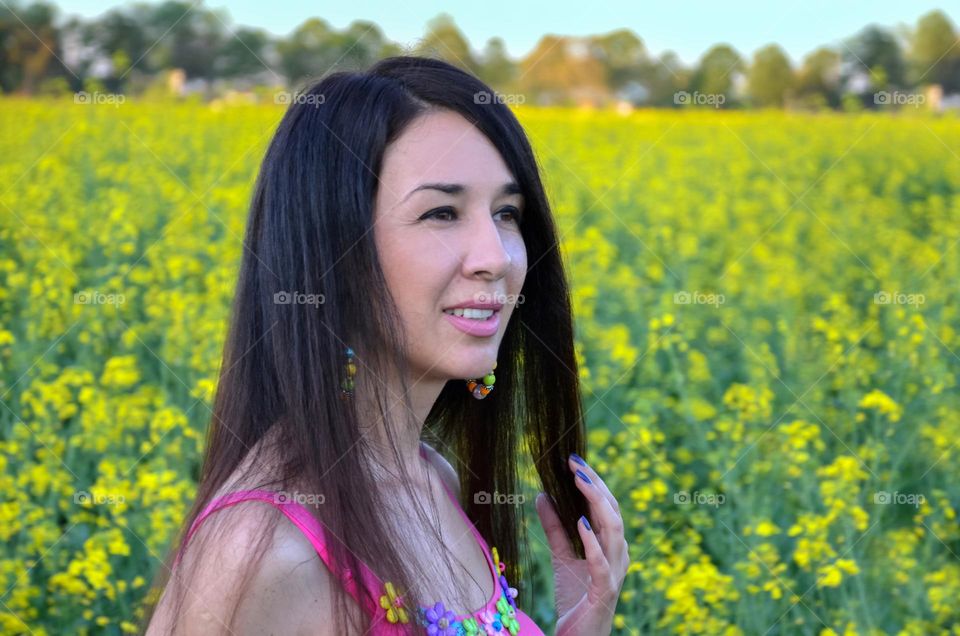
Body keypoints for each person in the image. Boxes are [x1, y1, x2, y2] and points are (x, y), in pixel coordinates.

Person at [140, 55, 629, 635]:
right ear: (333, 257)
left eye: (507, 212)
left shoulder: (433, 479)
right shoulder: (266, 554)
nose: (496, 256)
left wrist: (583, 624)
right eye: (441, 212)